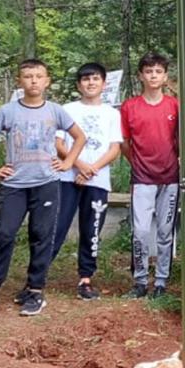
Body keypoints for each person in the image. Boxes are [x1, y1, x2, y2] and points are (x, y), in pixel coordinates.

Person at [0, 59, 86, 317]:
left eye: (38, 76)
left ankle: (35, 290)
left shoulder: (55, 111)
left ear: (47, 81)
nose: (33, 81)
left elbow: (80, 137)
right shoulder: (8, 111)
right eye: (28, 76)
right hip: (14, 185)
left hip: (46, 184)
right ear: (19, 81)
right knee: (5, 234)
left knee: (41, 235)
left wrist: (67, 162)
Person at [50, 62, 123, 301]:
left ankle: (85, 278)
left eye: (95, 79)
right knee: (55, 227)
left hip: (98, 180)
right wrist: (78, 165)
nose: (90, 83)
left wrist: (92, 169)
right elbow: (58, 144)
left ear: (103, 83)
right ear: (78, 84)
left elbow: (115, 148)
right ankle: (37, 277)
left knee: (91, 229)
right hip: (67, 177)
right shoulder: (67, 109)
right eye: (85, 79)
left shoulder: (112, 113)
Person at [120, 52, 180, 298]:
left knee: (166, 232)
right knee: (142, 231)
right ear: (141, 76)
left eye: (158, 71)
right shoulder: (129, 107)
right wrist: (137, 163)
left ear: (165, 76)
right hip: (142, 178)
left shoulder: (174, 105)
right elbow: (124, 142)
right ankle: (141, 280)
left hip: (170, 178)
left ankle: (162, 281)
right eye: (148, 71)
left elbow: (181, 140)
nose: (153, 76)